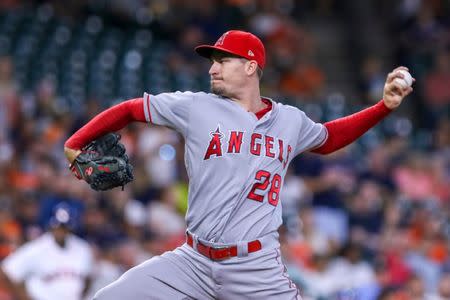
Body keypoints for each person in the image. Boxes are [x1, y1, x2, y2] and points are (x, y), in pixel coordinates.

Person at [64, 30, 414, 299]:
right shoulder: (195, 106)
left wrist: (382, 107)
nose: (213, 68)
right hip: (193, 260)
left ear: (250, 67)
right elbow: (129, 109)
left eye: (223, 60)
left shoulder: (290, 121)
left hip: (255, 266)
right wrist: (75, 142)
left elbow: (328, 138)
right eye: (212, 61)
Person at [0, 203, 94, 300]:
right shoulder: (36, 248)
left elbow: (89, 277)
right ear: (51, 226)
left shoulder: (82, 248)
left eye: (64, 228)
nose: (61, 231)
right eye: (58, 227)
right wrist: (24, 297)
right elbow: (6, 272)